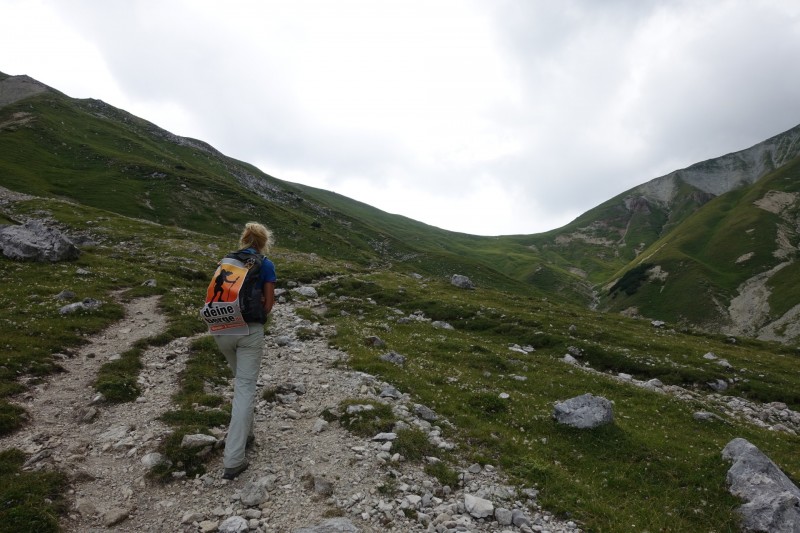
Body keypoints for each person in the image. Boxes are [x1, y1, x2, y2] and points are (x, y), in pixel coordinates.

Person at [212, 222, 277, 480]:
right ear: (263, 241)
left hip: (220, 329)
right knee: (245, 389)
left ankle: (247, 434)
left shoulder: (227, 261)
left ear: (244, 238)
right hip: (248, 331)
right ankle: (234, 459)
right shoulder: (266, 264)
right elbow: (269, 306)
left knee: (240, 383)